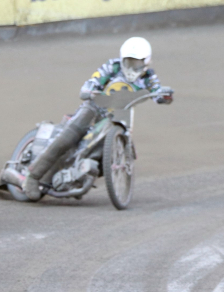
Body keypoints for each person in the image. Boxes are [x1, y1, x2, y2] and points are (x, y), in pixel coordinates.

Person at [20, 37, 173, 201]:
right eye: (128, 62)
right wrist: (89, 90)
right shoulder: (112, 67)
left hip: (119, 114)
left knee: (103, 150)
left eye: (136, 63)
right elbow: (93, 80)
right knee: (68, 137)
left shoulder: (149, 77)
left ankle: (79, 176)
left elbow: (157, 91)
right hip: (94, 108)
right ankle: (32, 176)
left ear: (146, 62)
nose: (131, 67)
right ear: (122, 60)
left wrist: (164, 96)